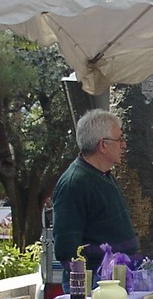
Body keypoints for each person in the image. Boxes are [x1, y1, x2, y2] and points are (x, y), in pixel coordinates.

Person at [52, 109, 138, 287]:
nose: (124, 145)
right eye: (120, 139)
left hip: (116, 279)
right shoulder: (74, 184)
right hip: (95, 285)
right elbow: (67, 249)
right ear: (103, 145)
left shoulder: (104, 175)